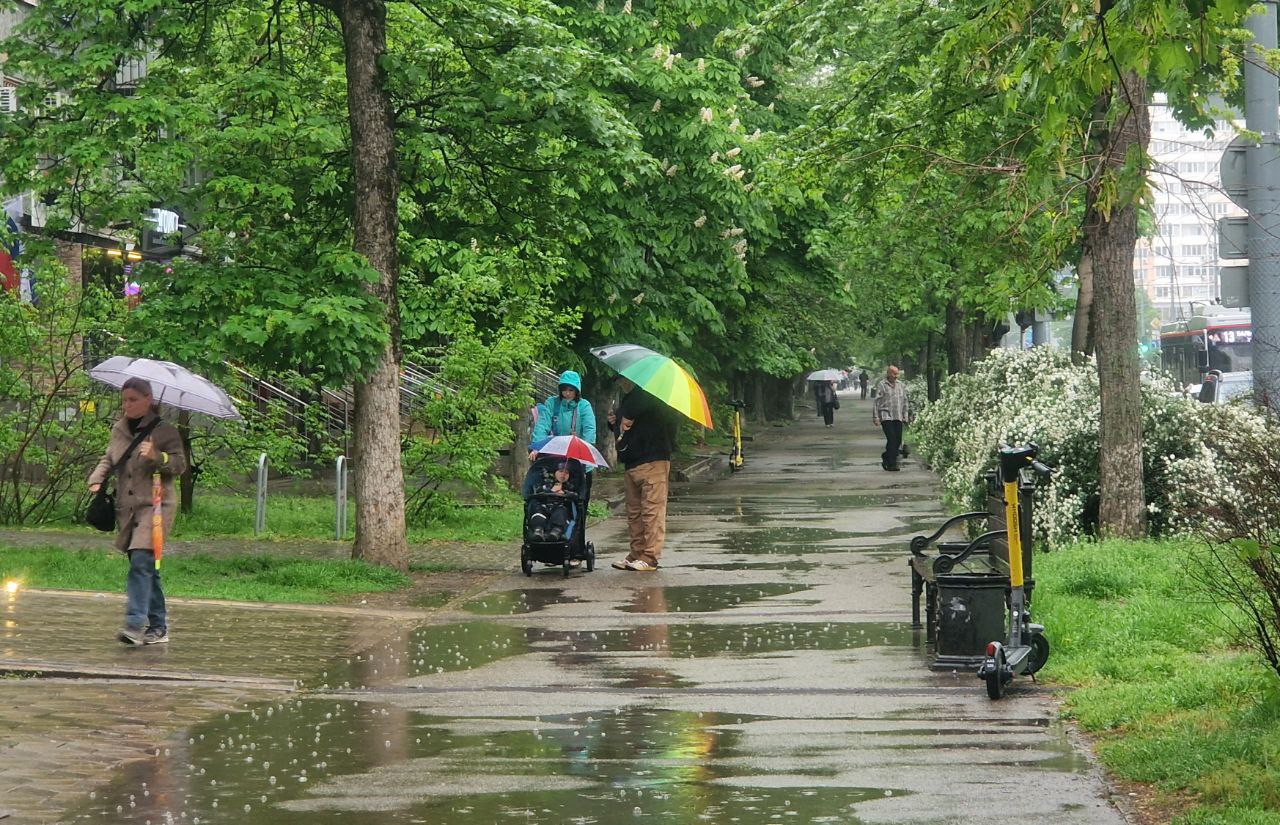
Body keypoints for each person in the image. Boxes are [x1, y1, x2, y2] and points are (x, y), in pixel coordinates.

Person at [88, 377, 187, 645]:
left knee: (142, 561)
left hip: (156, 506)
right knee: (145, 567)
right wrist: (97, 479)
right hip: (127, 508)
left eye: (133, 400)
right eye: (124, 400)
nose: (127, 405)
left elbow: (180, 465)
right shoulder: (119, 429)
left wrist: (157, 456)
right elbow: (109, 458)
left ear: (148, 400)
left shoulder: (165, 431)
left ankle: (134, 624)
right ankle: (159, 626)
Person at [608, 378, 678, 572]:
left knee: (652, 511)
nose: (621, 381)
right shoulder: (630, 398)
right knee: (635, 512)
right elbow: (626, 429)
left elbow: (642, 412)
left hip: (653, 459)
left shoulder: (651, 393)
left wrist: (627, 415)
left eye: (623, 378)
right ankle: (636, 553)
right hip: (632, 461)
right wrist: (614, 422)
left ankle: (650, 557)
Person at [526, 370, 597, 509]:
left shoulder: (584, 406)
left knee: (580, 498)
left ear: (577, 391)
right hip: (556, 456)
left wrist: (585, 452)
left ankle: (578, 519)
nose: (567, 393)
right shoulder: (552, 403)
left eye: (571, 390)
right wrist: (537, 447)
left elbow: (589, 430)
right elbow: (542, 425)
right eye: (564, 390)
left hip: (578, 456)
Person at [872, 365, 910, 471]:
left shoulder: (901, 385)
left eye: (897, 374)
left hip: (898, 415)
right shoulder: (882, 385)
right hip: (886, 415)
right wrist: (876, 417)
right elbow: (876, 402)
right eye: (894, 373)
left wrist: (905, 415)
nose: (896, 376)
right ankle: (892, 463)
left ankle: (886, 456)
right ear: (888, 373)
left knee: (898, 440)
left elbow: (905, 401)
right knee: (892, 439)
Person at [527, 461, 576, 541]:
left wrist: (565, 493)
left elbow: (576, 496)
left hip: (560, 512)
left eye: (566, 473)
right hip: (544, 509)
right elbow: (538, 493)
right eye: (560, 471)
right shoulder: (545, 484)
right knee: (536, 509)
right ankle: (538, 530)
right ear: (554, 472)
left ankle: (556, 531)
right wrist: (551, 491)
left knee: (562, 511)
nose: (563, 474)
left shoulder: (570, 486)